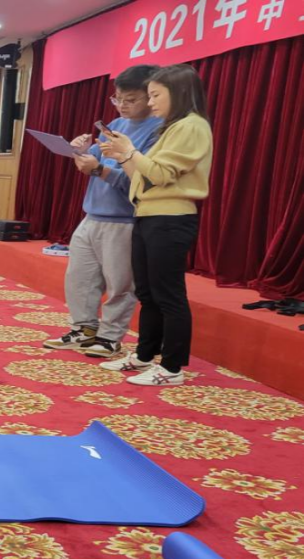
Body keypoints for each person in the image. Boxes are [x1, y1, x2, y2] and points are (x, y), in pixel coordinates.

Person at [99, 64, 213, 387]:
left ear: (178, 93)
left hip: (170, 218)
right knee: (147, 292)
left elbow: (160, 175)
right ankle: (145, 355)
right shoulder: (171, 127)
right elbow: (143, 177)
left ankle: (172, 367)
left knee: (168, 294)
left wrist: (129, 151)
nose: (150, 103)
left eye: (155, 95)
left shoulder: (191, 126)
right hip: (148, 214)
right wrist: (123, 156)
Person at [42, 65, 162, 357]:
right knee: (79, 278)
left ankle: (109, 337)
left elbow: (142, 181)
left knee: (120, 284)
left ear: (151, 97)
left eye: (131, 99)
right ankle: (83, 329)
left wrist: (98, 170)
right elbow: (93, 161)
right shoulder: (116, 124)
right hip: (92, 214)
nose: (122, 105)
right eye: (117, 99)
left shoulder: (159, 131)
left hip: (125, 219)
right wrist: (79, 150)